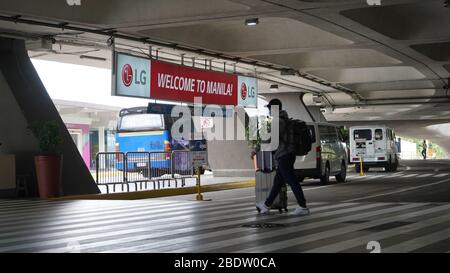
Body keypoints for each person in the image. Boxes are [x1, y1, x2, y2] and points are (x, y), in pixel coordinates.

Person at [256, 99, 310, 216]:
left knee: (292, 181)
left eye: (270, 108)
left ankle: (303, 206)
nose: (269, 111)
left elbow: (269, 138)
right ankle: (266, 205)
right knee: (278, 182)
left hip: (284, 155)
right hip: (287, 154)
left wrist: (256, 149)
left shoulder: (278, 121)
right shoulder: (284, 119)